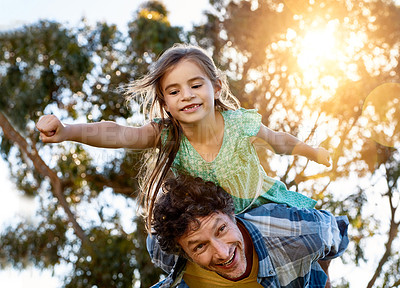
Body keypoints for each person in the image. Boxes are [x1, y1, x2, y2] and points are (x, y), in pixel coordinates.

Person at [36, 43, 331, 229]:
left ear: (215, 88)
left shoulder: (240, 124)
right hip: (211, 223)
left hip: (261, 206)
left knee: (312, 230)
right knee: (164, 240)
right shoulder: (166, 135)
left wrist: (312, 152)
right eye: (174, 91)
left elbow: (279, 140)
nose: (186, 96)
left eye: (195, 85)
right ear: (165, 103)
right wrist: (67, 131)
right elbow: (118, 133)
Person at [148, 174, 349, 288]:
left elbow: (337, 234)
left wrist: (323, 275)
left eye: (221, 229)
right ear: (183, 253)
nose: (223, 253)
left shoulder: (297, 230)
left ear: (232, 214)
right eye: (200, 246)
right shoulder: (161, 249)